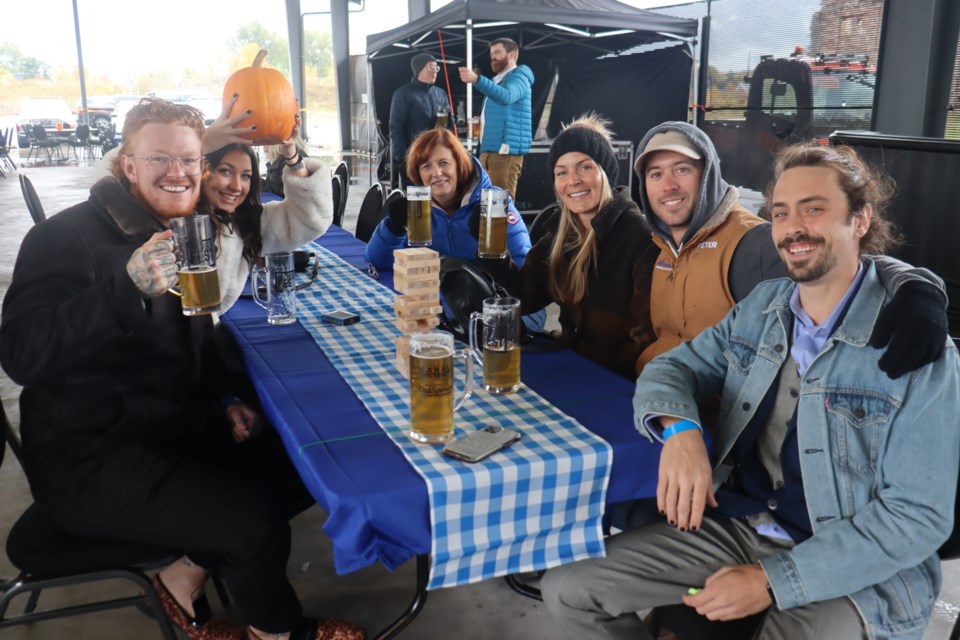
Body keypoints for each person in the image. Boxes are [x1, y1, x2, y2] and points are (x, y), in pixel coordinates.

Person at [541, 142, 960, 640]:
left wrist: (771, 582)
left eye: (814, 208)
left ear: (861, 220)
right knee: (568, 589)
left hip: (857, 561)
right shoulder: (766, 305)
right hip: (747, 522)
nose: (794, 227)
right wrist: (680, 431)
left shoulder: (911, 341)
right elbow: (672, 370)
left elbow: (917, 518)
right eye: (781, 213)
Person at [0, 98, 363, 640]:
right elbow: (23, 354)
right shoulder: (65, 238)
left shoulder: (188, 229)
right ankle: (279, 631)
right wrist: (124, 289)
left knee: (306, 464)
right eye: (159, 159)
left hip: (168, 431)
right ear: (127, 164)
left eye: (189, 161)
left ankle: (180, 578)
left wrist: (225, 399)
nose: (178, 173)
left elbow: (195, 335)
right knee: (252, 525)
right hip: (90, 459)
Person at [633, 121, 948, 379]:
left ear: (709, 174)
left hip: (718, 431)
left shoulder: (751, 242)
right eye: (655, 174)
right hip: (657, 397)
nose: (668, 185)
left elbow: (839, 261)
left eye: (682, 169)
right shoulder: (659, 246)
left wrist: (918, 289)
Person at [478, 114, 658, 380]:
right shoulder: (562, 232)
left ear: (605, 173)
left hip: (619, 382)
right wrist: (490, 251)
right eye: (562, 172)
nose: (573, 180)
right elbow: (526, 298)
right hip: (572, 364)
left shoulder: (639, 238)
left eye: (584, 167)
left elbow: (650, 339)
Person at [365, 126, 532, 270]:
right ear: (418, 174)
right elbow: (377, 263)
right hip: (429, 300)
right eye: (426, 166)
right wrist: (393, 229)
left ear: (460, 165)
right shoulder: (417, 210)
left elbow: (524, 269)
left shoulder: (493, 205)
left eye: (443, 163)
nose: (437, 173)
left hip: (483, 301)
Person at [202, 136, 331, 314]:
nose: (236, 186)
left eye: (246, 176)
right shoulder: (178, 222)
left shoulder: (245, 222)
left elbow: (310, 219)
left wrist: (293, 160)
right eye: (225, 171)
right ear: (201, 170)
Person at [458, 38, 534, 200]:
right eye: (491, 54)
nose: (493, 57)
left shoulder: (520, 76)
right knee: (488, 205)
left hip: (504, 153)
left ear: (512, 54)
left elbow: (506, 96)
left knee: (498, 206)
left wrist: (477, 79)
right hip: (490, 152)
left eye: (498, 52)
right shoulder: (498, 80)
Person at [389, 52, 452, 188]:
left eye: (436, 67)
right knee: (417, 204)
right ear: (418, 71)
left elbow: (449, 126)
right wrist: (403, 160)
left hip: (438, 159)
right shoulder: (403, 94)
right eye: (430, 66)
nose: (435, 70)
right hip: (415, 160)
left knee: (437, 202)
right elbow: (396, 128)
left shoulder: (441, 93)